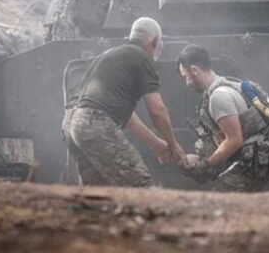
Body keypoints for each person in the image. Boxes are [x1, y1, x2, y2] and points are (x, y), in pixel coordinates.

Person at [64, 17, 186, 187]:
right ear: (155, 40)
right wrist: (174, 145)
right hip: (94, 122)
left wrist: (156, 143)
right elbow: (157, 110)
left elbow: (125, 116)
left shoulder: (111, 55)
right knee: (140, 186)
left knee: (98, 193)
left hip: (72, 123)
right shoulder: (142, 58)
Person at [177, 44, 269, 192]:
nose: (187, 83)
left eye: (186, 77)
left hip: (246, 168)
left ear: (194, 70)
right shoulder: (228, 86)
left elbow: (234, 140)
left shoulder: (219, 96)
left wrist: (206, 164)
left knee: (218, 205)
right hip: (251, 164)